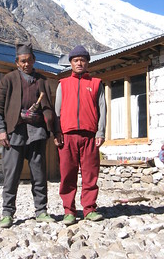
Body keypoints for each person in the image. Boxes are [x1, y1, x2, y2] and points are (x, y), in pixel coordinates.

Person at [0, 42, 58, 228]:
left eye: (29, 60)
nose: (26, 64)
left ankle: (41, 211)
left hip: (36, 133)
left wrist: (53, 130)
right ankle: (7, 212)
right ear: (17, 62)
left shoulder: (42, 81)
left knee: (39, 173)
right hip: (14, 133)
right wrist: (1, 130)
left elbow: (49, 108)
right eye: (23, 61)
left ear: (34, 60)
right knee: (11, 175)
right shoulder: (8, 79)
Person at [54, 45, 106, 226]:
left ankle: (89, 209)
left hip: (90, 136)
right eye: (76, 60)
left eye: (83, 60)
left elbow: (102, 110)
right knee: (67, 174)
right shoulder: (63, 84)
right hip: (67, 136)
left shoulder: (96, 83)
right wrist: (57, 132)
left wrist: (101, 131)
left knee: (90, 174)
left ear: (87, 63)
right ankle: (69, 211)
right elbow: (57, 111)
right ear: (70, 63)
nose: (79, 63)